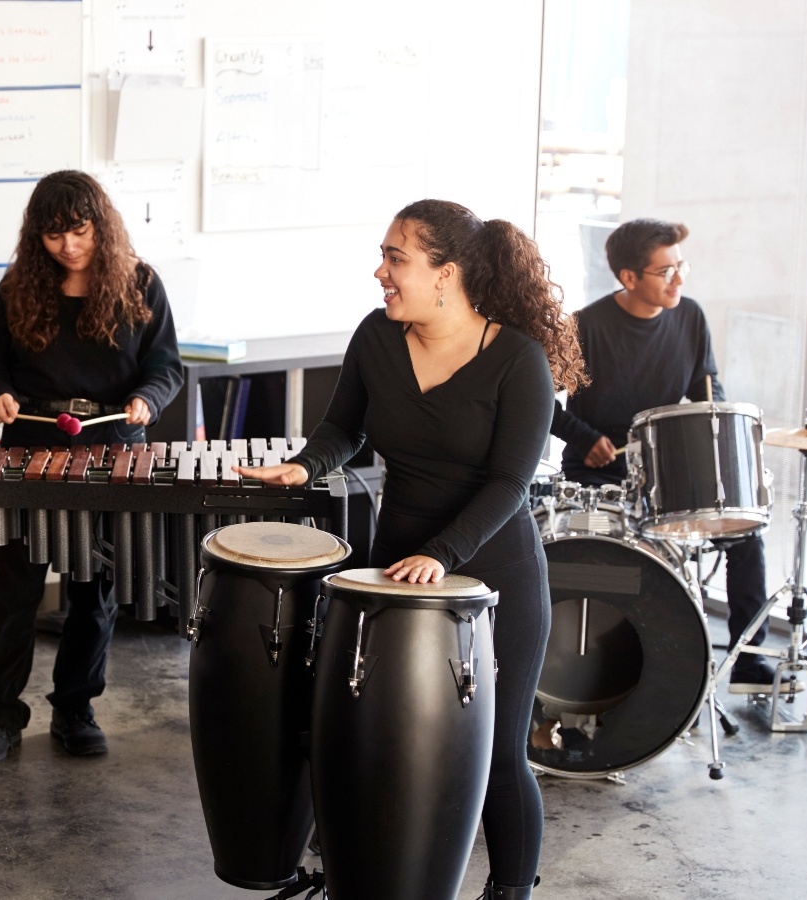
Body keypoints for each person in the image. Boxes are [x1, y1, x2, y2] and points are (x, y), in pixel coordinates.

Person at [237, 200, 587, 900]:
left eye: (396, 258)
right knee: (373, 741)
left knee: (495, 759)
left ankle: (509, 892)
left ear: (446, 274)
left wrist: (442, 556)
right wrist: (305, 466)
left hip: (494, 576)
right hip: (393, 572)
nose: (381, 272)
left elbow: (511, 484)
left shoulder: (518, 359)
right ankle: (365, 877)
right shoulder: (376, 336)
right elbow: (345, 426)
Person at [0, 170, 183, 765]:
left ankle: (75, 708)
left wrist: (148, 401)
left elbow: (167, 368)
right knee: (12, 592)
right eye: (53, 235)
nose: (67, 246)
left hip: (112, 448)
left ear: (101, 226)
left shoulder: (140, 285)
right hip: (29, 447)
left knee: (94, 593)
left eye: (79, 232)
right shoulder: (19, 288)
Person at [550, 218, 778, 693]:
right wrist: (584, 436)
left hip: (667, 475)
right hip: (599, 478)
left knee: (747, 539)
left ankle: (748, 664)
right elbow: (539, 402)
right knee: (617, 564)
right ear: (628, 277)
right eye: (666, 271)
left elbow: (707, 390)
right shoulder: (583, 327)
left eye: (681, 267)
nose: (679, 278)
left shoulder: (690, 316)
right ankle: (607, 672)